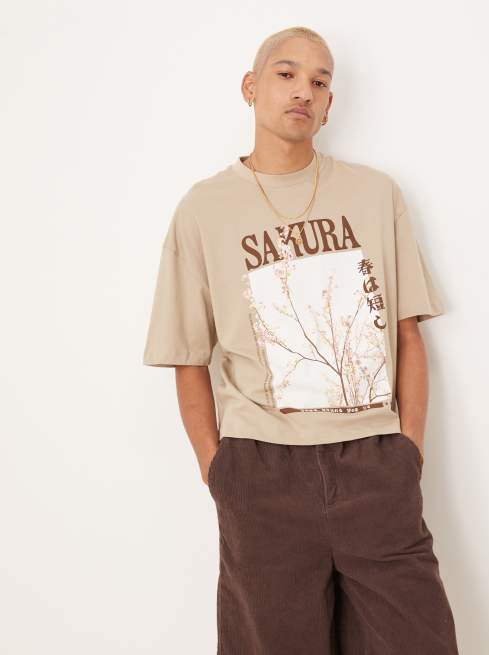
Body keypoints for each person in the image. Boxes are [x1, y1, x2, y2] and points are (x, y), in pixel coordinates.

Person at [142, 25, 459, 655]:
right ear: (250, 87)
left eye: (319, 82)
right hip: (262, 472)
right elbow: (187, 356)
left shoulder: (375, 194)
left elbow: (408, 332)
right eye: (286, 74)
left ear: (330, 104)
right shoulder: (204, 209)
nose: (303, 91)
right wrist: (219, 471)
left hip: (374, 464)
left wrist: (408, 453)